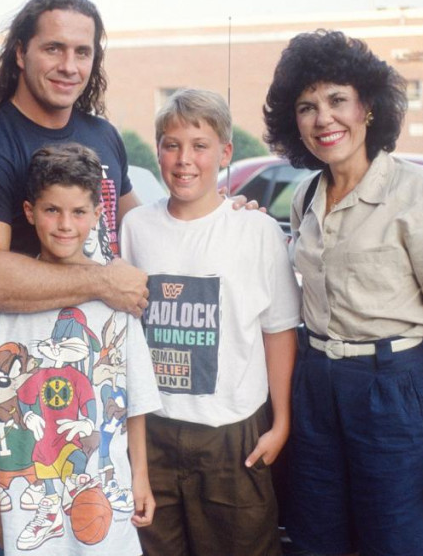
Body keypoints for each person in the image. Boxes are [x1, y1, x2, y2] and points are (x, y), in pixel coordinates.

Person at [263, 29, 423, 556]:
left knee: (404, 539)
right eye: (306, 106)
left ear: (367, 108)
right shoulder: (305, 197)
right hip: (316, 384)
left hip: (395, 389)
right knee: (319, 537)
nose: (324, 119)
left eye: (337, 100)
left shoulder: (417, 190)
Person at [0, 143, 161, 555]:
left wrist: (141, 478)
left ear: (98, 215)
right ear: (30, 212)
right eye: (52, 211)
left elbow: (134, 400)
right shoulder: (2, 304)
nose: (66, 225)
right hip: (27, 504)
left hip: (105, 492)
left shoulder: (116, 299)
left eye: (79, 212)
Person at [120, 89, 301, 556]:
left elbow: (278, 330)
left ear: (224, 153)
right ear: (157, 149)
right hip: (154, 429)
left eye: (200, 145)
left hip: (232, 435)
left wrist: (281, 422)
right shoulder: (136, 227)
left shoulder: (257, 230)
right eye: (171, 144)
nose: (184, 159)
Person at [0, 0, 148, 317]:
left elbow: (141, 230)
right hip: (26, 358)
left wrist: (213, 211)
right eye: (54, 49)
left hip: (105, 352)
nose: (69, 66)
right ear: (21, 53)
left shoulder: (105, 135)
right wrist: (101, 282)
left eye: (82, 52)